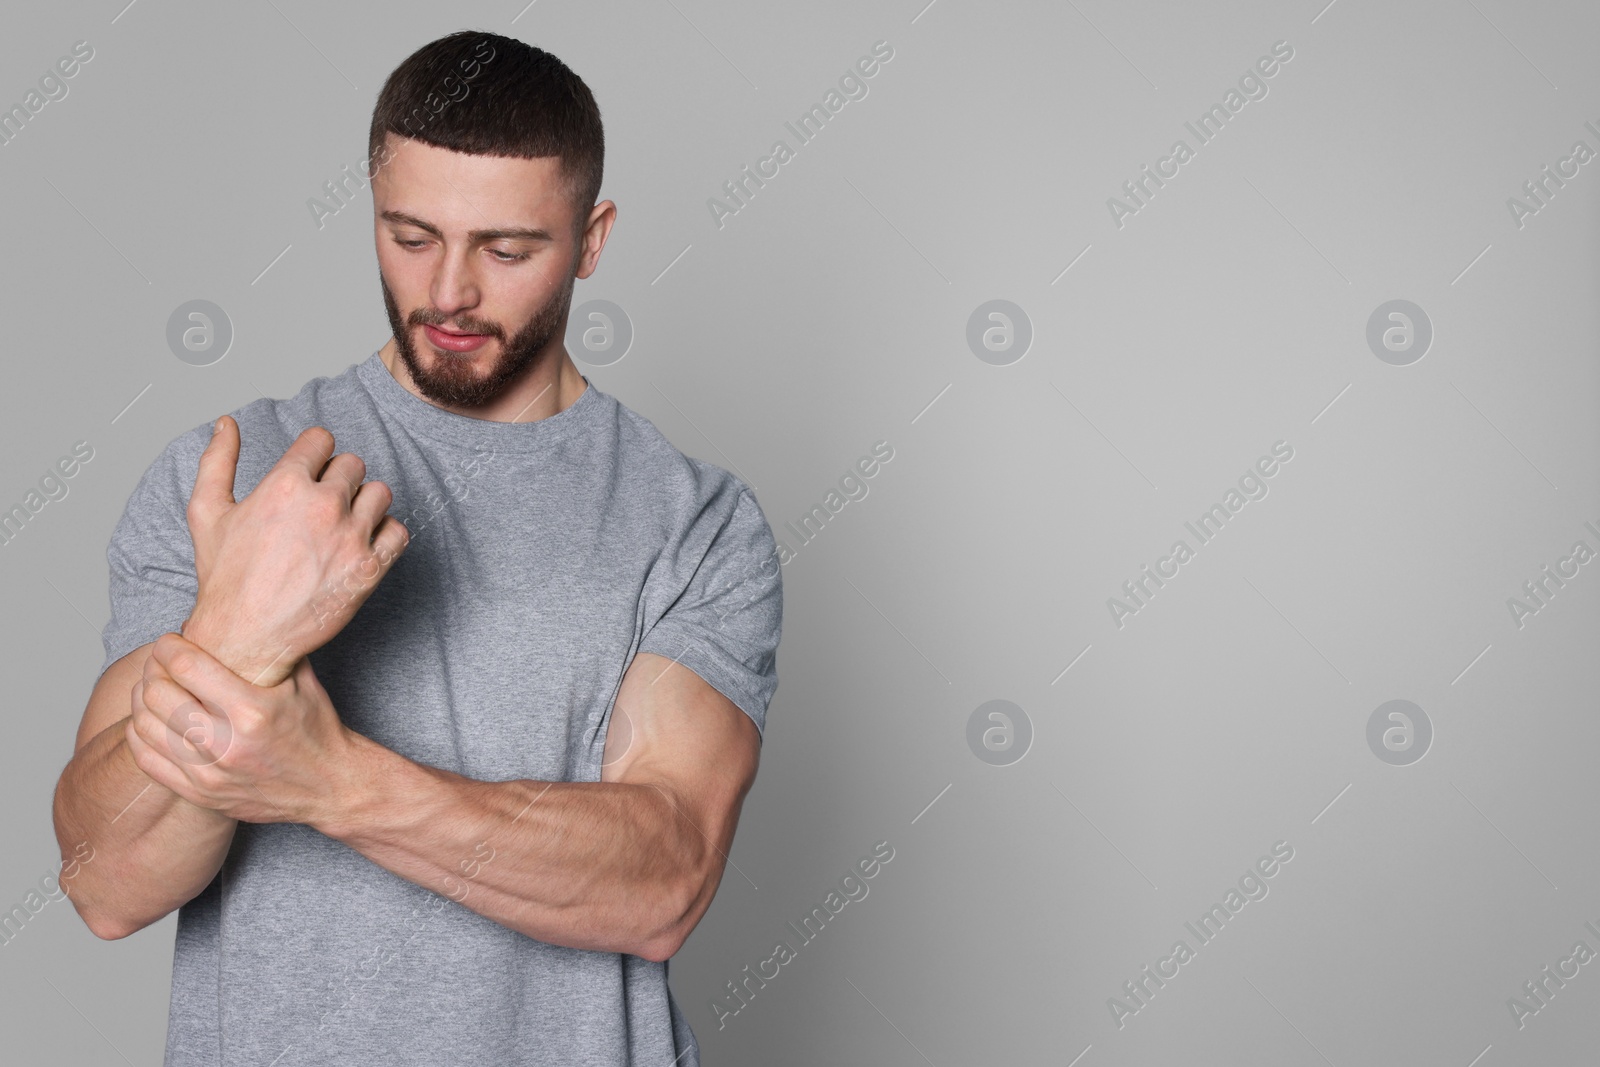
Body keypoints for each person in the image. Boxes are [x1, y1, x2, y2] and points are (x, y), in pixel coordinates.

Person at [50, 30, 782, 1066]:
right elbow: (105, 882)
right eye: (410, 236)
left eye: (506, 250)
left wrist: (326, 779)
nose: (448, 292)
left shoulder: (694, 521)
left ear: (592, 238)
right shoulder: (236, 470)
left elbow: (661, 880)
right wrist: (234, 636)